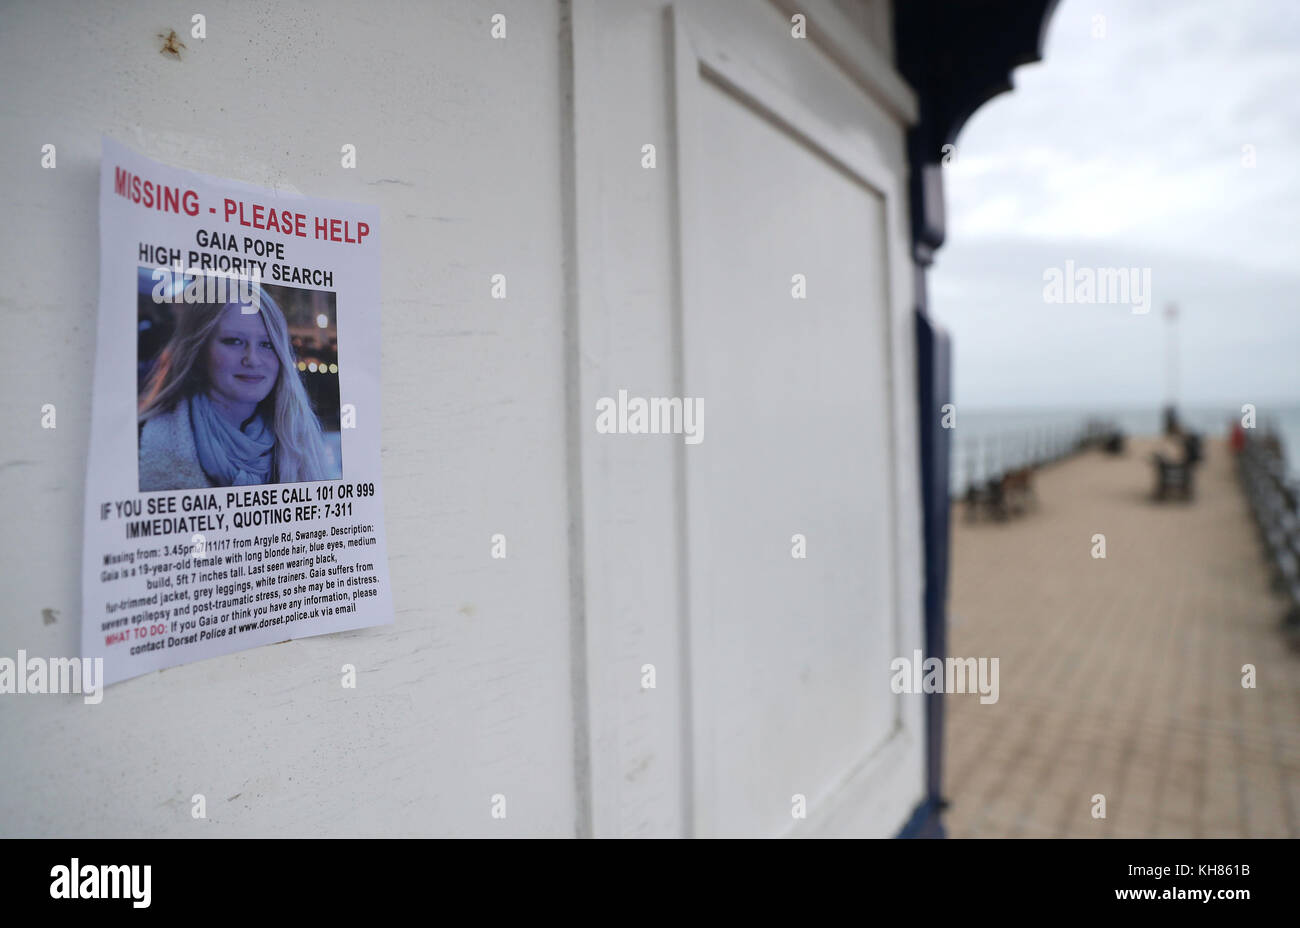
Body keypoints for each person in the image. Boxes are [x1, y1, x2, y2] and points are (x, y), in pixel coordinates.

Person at [138, 287, 336, 491]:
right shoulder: (143, 445)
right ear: (199, 351)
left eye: (267, 345)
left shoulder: (300, 441)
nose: (252, 359)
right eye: (234, 341)